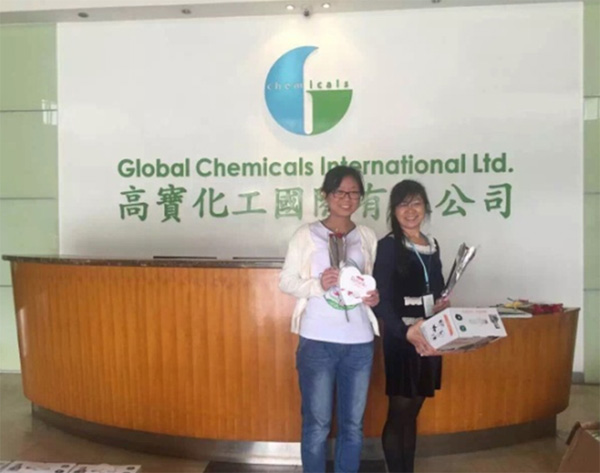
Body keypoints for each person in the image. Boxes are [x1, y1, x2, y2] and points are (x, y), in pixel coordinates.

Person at [279, 165, 380, 473]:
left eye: (354, 193)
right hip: (317, 342)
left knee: (353, 425)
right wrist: (318, 285)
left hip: (360, 344)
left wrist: (372, 297)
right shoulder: (306, 235)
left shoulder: (366, 236)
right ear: (325, 195)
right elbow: (286, 282)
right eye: (339, 192)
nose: (347, 199)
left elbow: (368, 280)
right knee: (317, 424)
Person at [373, 180, 449, 473]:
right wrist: (404, 332)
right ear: (393, 210)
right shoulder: (389, 246)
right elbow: (380, 300)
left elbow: (436, 286)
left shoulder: (432, 245)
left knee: (413, 412)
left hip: (430, 335)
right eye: (403, 204)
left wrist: (440, 303)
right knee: (399, 414)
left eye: (416, 203)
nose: (410, 210)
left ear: (425, 207)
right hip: (402, 338)